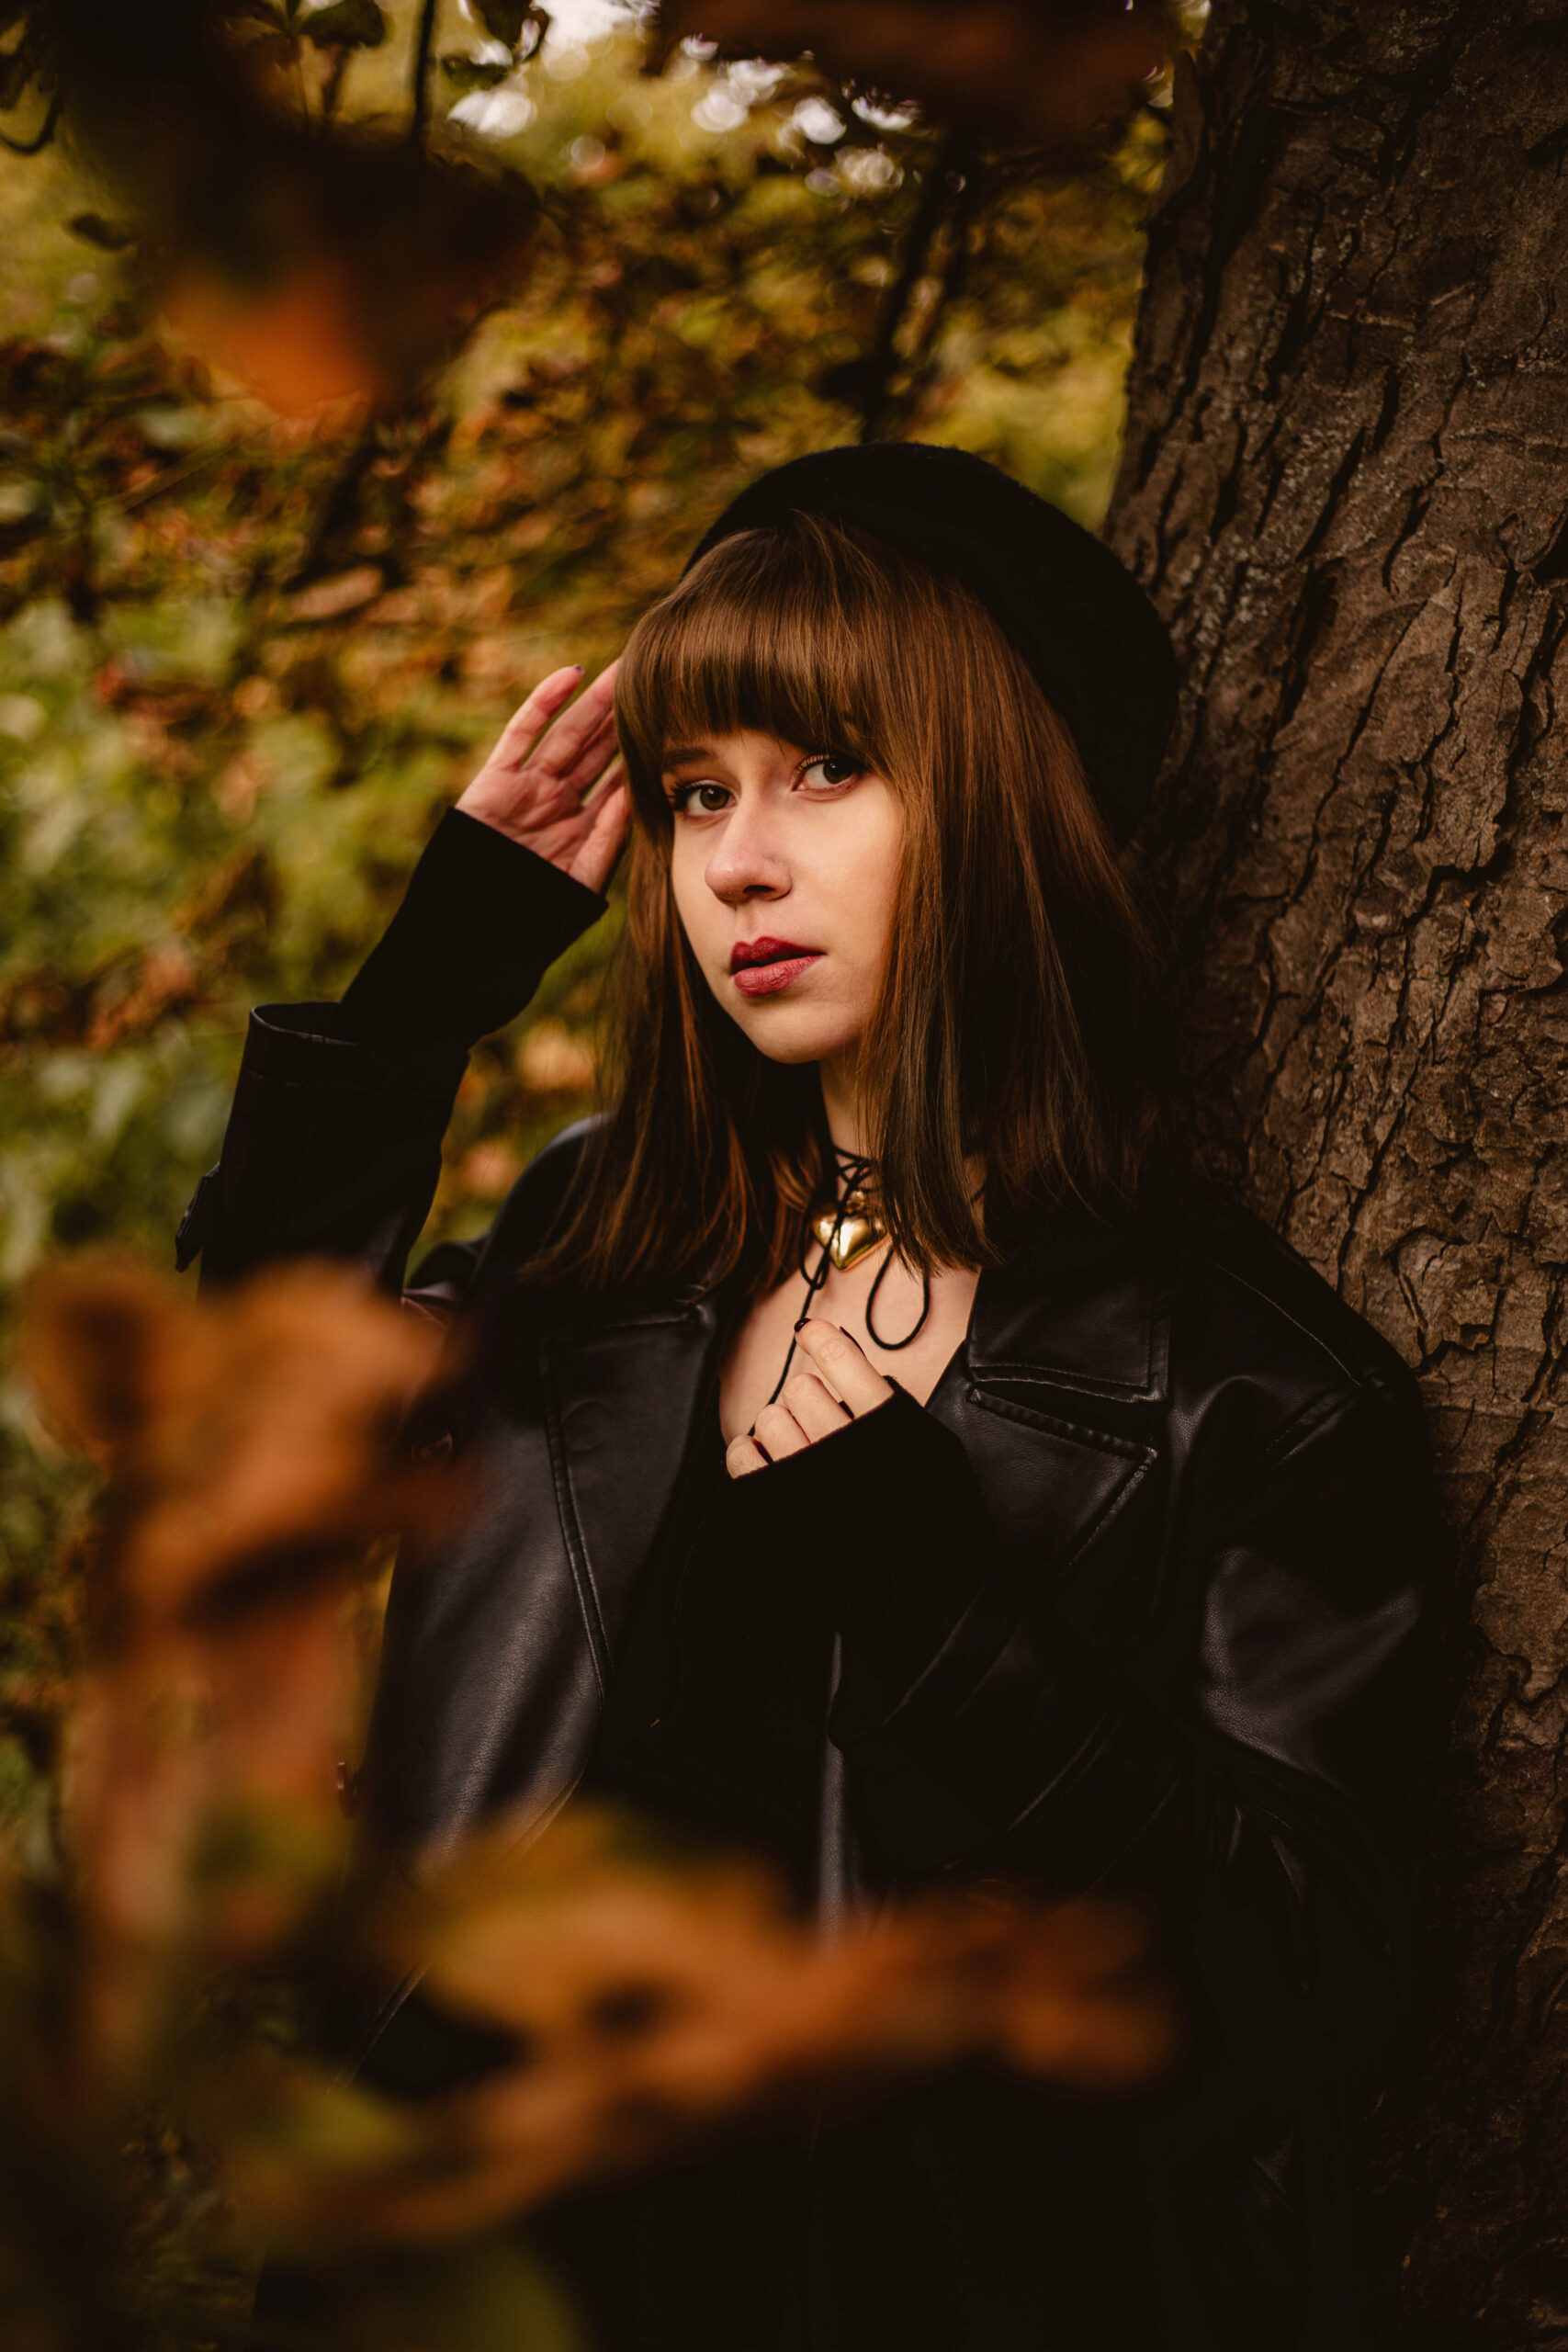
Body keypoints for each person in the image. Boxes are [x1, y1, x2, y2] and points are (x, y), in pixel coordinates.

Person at [182, 443, 1437, 2351]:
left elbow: (1309, 1982)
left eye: (826, 770)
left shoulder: (1247, 1384)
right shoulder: (601, 1240)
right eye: (696, 794)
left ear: (1002, 803)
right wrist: (428, 991)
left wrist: (951, 1618)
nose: (736, 864)